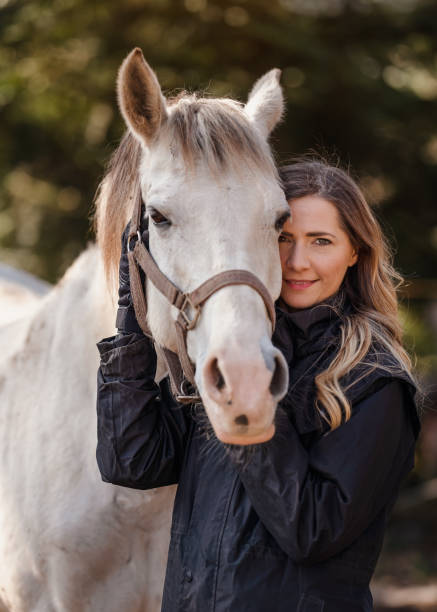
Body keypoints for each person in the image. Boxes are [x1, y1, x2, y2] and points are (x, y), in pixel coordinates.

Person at [96, 159, 420, 612]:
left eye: (321, 241)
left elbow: (312, 532)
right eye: (281, 238)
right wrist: (131, 324)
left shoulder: (375, 381)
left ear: (355, 253)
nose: (296, 262)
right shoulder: (230, 354)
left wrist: (250, 404)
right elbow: (132, 462)